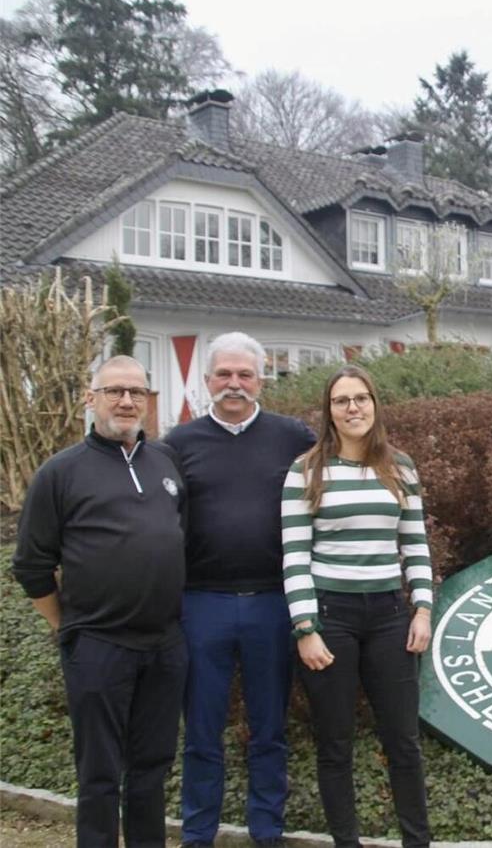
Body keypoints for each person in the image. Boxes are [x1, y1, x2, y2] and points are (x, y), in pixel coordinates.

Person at [12, 355, 188, 847]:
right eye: (114, 391)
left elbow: (179, 540)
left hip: (165, 645)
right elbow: (31, 566)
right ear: (90, 399)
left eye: (136, 391)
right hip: (99, 645)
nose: (127, 401)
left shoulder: (166, 464)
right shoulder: (60, 473)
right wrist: (66, 627)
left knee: (152, 771)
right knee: (99, 774)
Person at [164, 332, 314, 848]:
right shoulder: (177, 444)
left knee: (269, 730)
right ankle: (198, 833)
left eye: (244, 375)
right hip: (200, 603)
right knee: (202, 731)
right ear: (207, 381)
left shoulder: (294, 437)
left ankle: (266, 832)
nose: (234, 384)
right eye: (224, 375)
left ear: (260, 380)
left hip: (272, 603)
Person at [282, 365, 433, 848]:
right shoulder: (306, 471)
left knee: (403, 743)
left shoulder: (401, 467)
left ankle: (417, 842)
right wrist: (306, 626)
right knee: (335, 745)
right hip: (331, 618)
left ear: (374, 404)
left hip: (390, 615)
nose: (353, 408)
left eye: (361, 398)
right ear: (328, 412)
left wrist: (423, 610)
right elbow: (294, 555)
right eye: (342, 400)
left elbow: (415, 544)